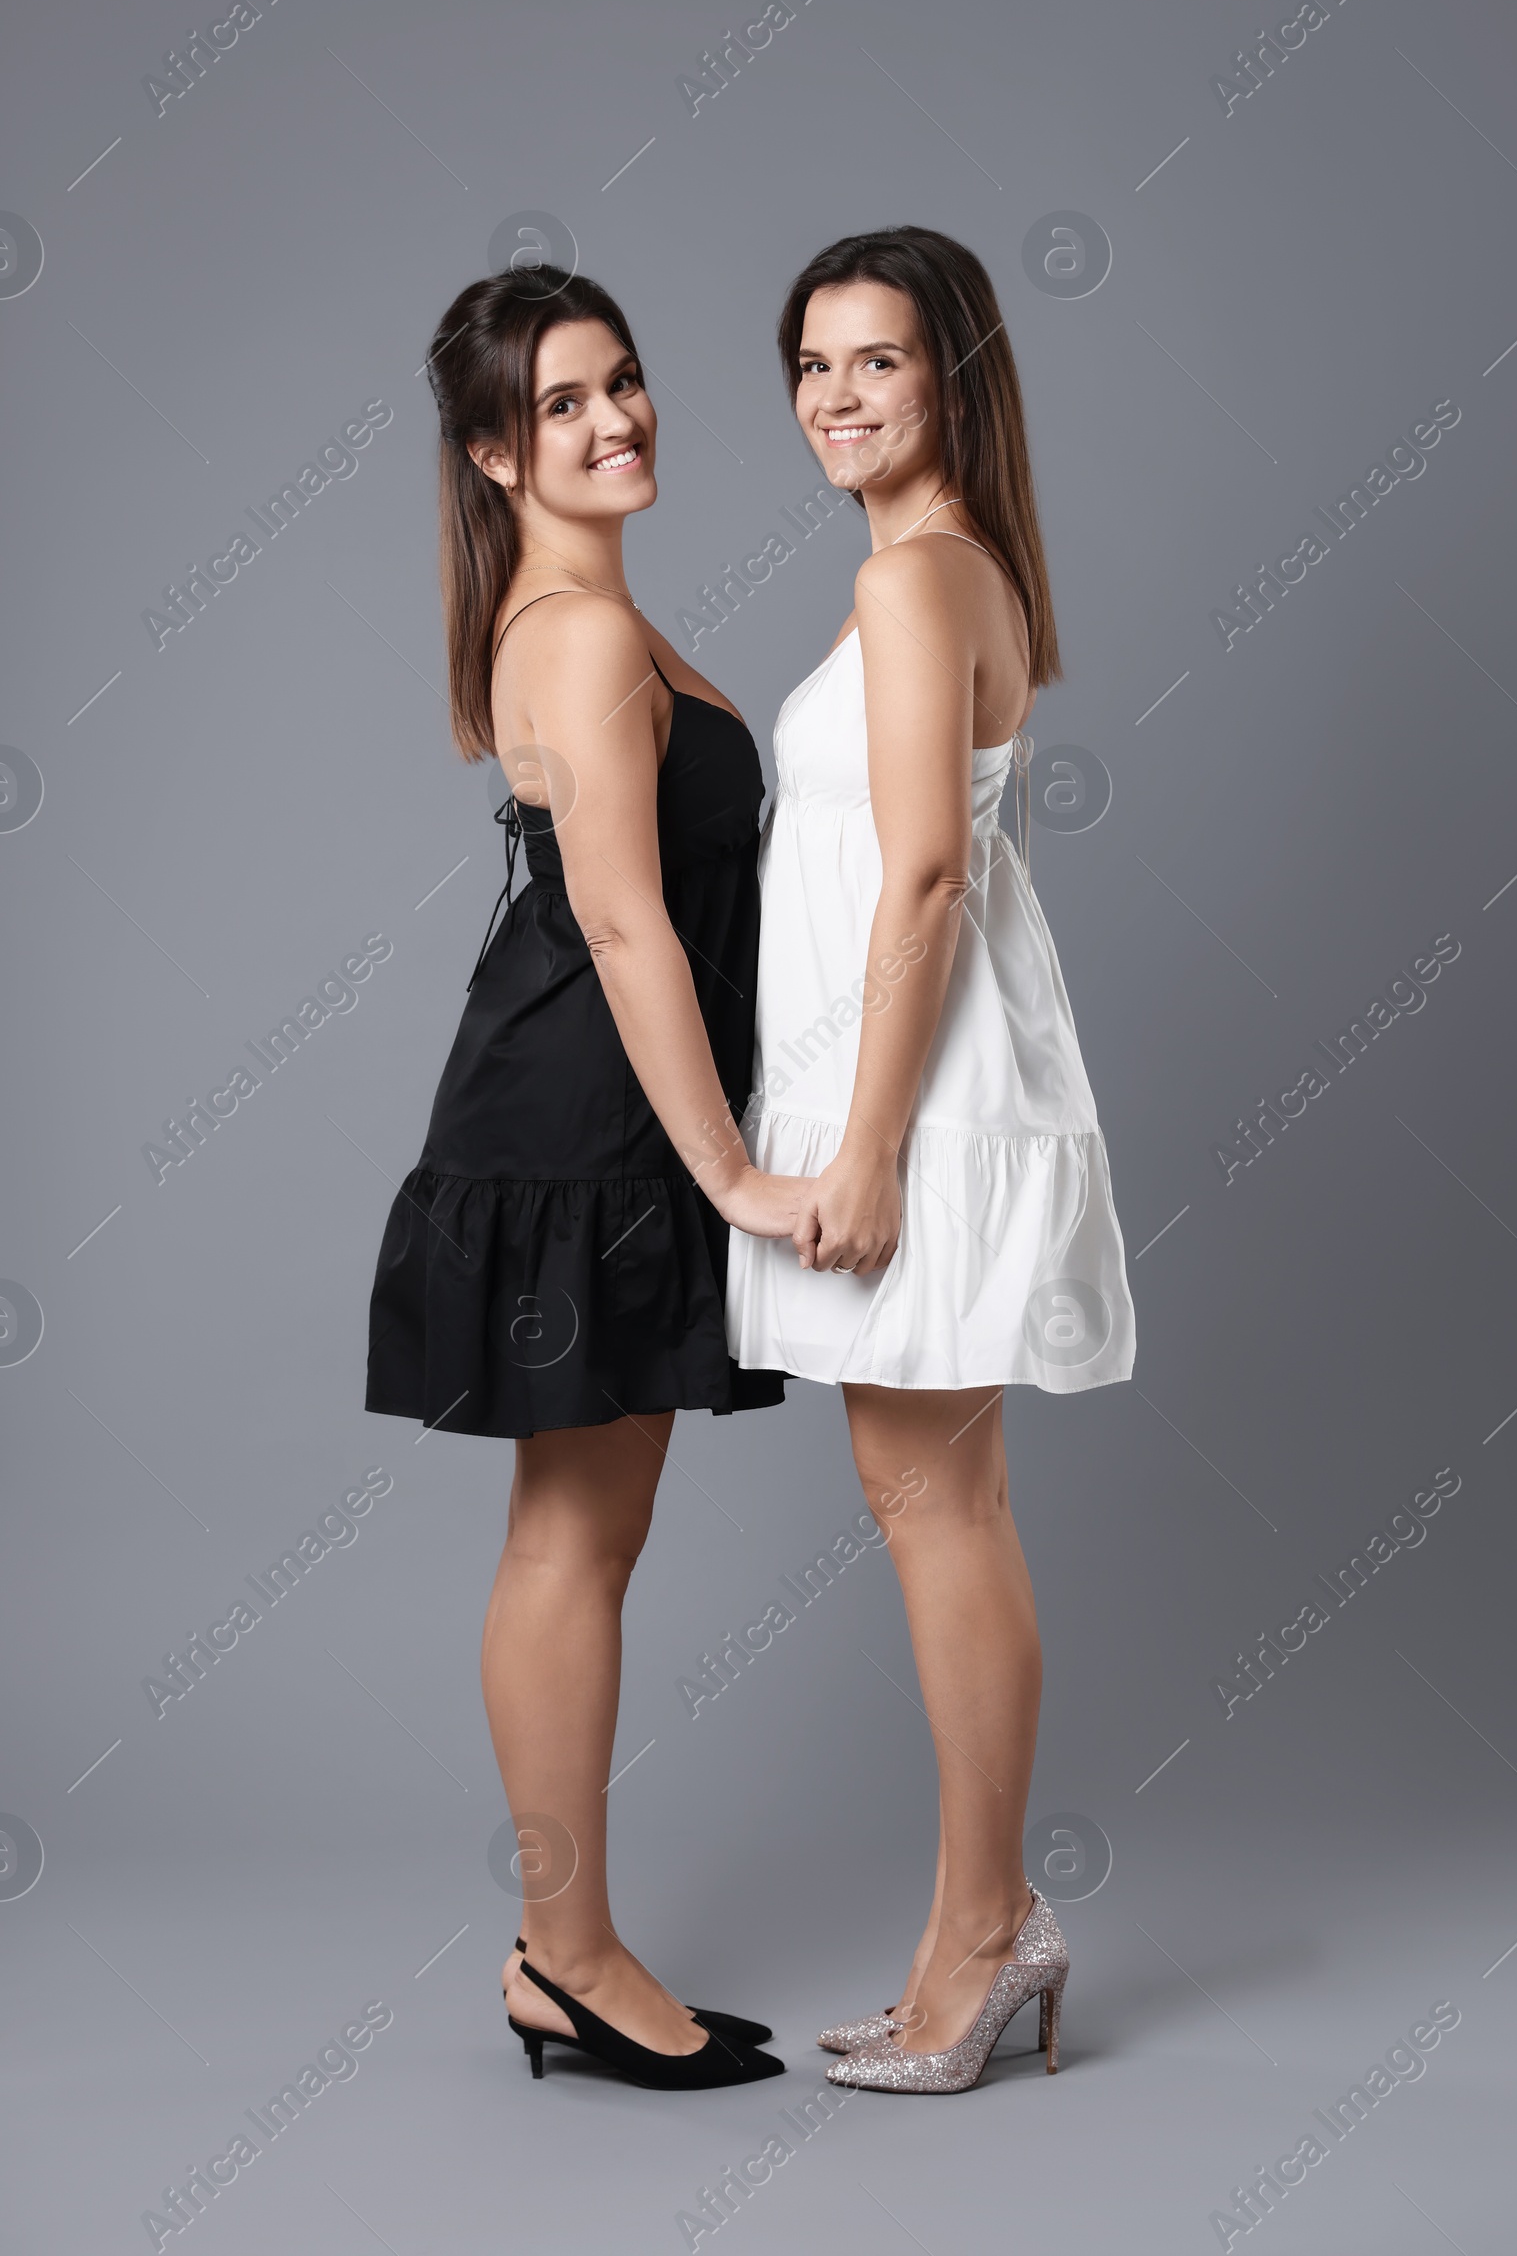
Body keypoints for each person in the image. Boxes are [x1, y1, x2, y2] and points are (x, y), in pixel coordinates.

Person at [365, 264, 799, 2091]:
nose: (615, 418)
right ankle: (567, 1955)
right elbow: (625, 925)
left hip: (602, 1113)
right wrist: (739, 1177)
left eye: (620, 381)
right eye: (561, 403)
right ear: (491, 450)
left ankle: (572, 1948)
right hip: (592, 1126)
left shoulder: (592, 615)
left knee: (588, 1538)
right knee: (569, 1542)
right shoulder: (580, 632)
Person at [726, 226, 1137, 2093]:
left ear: (950, 379)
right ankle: (972, 1927)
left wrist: (868, 1140)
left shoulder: (919, 585)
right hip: (939, 1082)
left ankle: (986, 1934)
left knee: (939, 1516)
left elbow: (922, 872)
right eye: (812, 364)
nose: (834, 396)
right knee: (942, 1512)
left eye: (876, 361)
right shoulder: (933, 570)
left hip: (932, 1101)